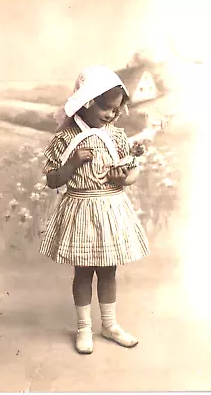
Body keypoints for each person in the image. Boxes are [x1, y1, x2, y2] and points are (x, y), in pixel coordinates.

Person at [40, 65, 149, 354]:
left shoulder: (116, 137)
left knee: (109, 270)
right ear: (86, 103)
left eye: (116, 110)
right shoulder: (65, 139)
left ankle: (110, 324)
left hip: (111, 208)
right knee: (84, 271)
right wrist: (73, 163)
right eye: (106, 109)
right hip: (82, 210)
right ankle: (84, 327)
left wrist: (123, 178)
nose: (111, 116)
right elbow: (53, 180)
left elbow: (132, 170)